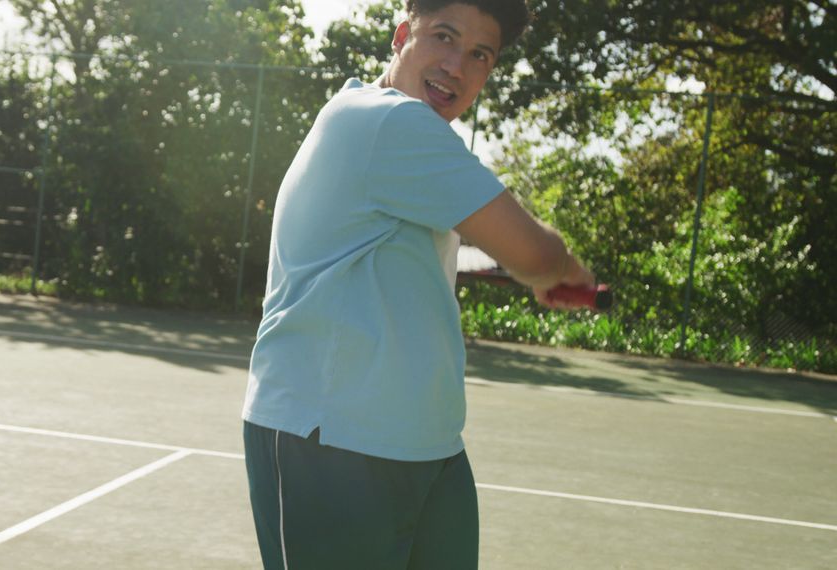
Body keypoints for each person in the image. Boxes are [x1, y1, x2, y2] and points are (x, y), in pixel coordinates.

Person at [242, 1, 595, 568]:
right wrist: (562, 268)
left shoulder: (386, 127)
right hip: (330, 443)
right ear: (402, 34)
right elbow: (535, 251)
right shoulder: (386, 120)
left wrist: (535, 270)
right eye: (444, 37)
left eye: (480, 54)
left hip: (428, 444)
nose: (457, 65)